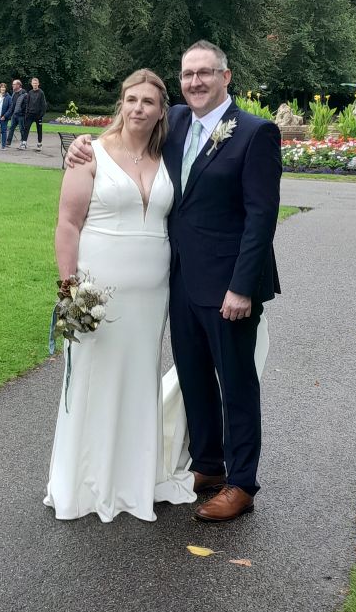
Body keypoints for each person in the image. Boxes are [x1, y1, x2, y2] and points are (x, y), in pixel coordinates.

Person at [66, 40, 281, 524]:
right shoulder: (178, 122)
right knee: (193, 377)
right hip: (179, 281)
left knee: (237, 383)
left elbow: (261, 217)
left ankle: (242, 483)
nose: (196, 81)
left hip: (229, 285)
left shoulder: (254, 133)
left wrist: (243, 287)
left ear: (227, 77)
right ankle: (207, 464)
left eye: (206, 72)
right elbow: (129, 136)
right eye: (188, 74)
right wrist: (85, 146)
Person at [45, 70, 196, 523]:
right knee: (92, 382)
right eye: (132, 99)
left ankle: (134, 479)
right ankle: (83, 483)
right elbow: (68, 224)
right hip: (98, 292)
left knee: (137, 381)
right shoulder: (90, 152)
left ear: (161, 110)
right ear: (121, 103)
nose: (139, 109)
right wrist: (69, 290)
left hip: (153, 296)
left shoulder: (169, 156)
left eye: (149, 102)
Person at [23, 77, 47, 150]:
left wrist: (41, 114)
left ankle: (39, 144)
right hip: (30, 114)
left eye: (36, 83)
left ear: (38, 84)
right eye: (33, 83)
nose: (35, 85)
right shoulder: (30, 92)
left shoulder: (41, 93)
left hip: (38, 115)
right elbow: (27, 103)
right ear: (31, 84)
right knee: (26, 128)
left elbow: (44, 104)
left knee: (39, 130)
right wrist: (26, 113)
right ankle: (24, 143)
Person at [5, 79, 27, 149]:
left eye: (14, 84)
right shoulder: (14, 93)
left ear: (18, 85)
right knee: (11, 128)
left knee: (22, 129)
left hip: (21, 115)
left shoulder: (24, 94)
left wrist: (21, 111)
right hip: (14, 115)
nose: (12, 86)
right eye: (13, 84)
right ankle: (8, 142)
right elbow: (12, 105)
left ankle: (23, 143)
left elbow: (26, 105)